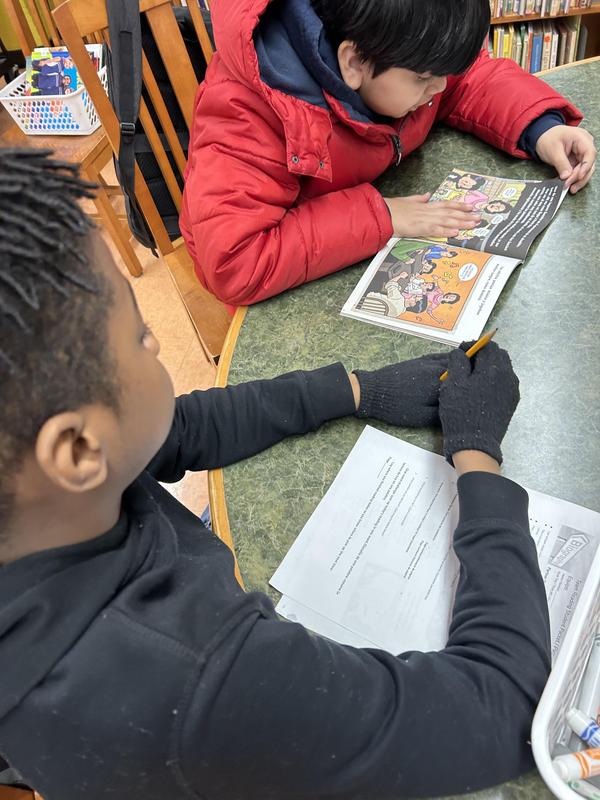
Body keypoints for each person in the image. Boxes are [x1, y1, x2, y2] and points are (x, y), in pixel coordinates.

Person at [0, 148, 551, 799]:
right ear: (77, 452)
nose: (155, 345)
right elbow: (502, 710)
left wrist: (354, 389)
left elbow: (173, 431)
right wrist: (478, 456)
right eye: (143, 336)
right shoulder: (192, 675)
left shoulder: (41, 494)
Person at [181, 0, 596, 306]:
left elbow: (465, 79)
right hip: (280, 281)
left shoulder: (402, 53)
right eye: (424, 79)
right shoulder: (249, 111)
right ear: (354, 62)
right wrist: (382, 216)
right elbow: (235, 263)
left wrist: (541, 128)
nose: (438, 89)